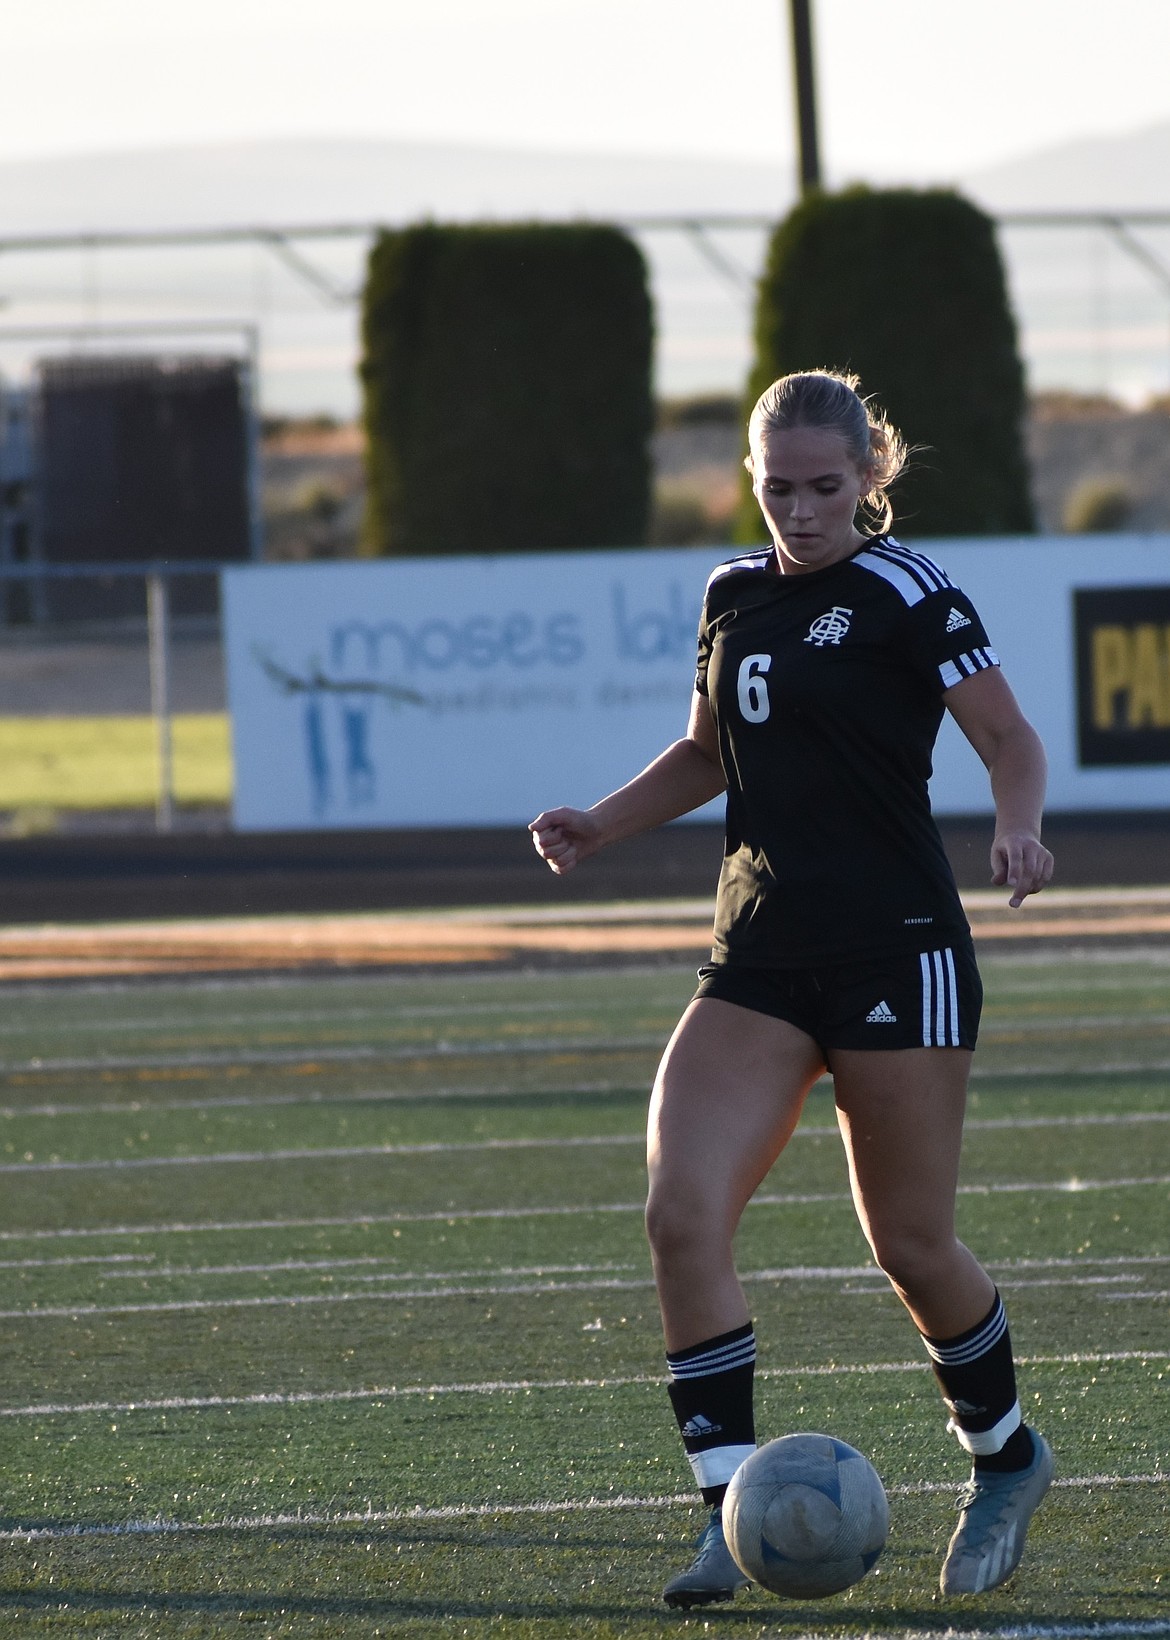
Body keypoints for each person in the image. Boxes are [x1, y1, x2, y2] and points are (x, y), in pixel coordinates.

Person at [530, 369, 1055, 1608]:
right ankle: (724, 1511)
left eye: (826, 487)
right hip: (759, 953)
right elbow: (711, 750)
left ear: (871, 476)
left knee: (911, 1243)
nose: (801, 510)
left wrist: (1020, 827)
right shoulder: (730, 594)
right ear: (751, 481)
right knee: (680, 1213)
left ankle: (1007, 1453)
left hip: (898, 950)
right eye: (779, 488)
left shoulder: (909, 590)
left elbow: (1011, 739)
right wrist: (603, 823)